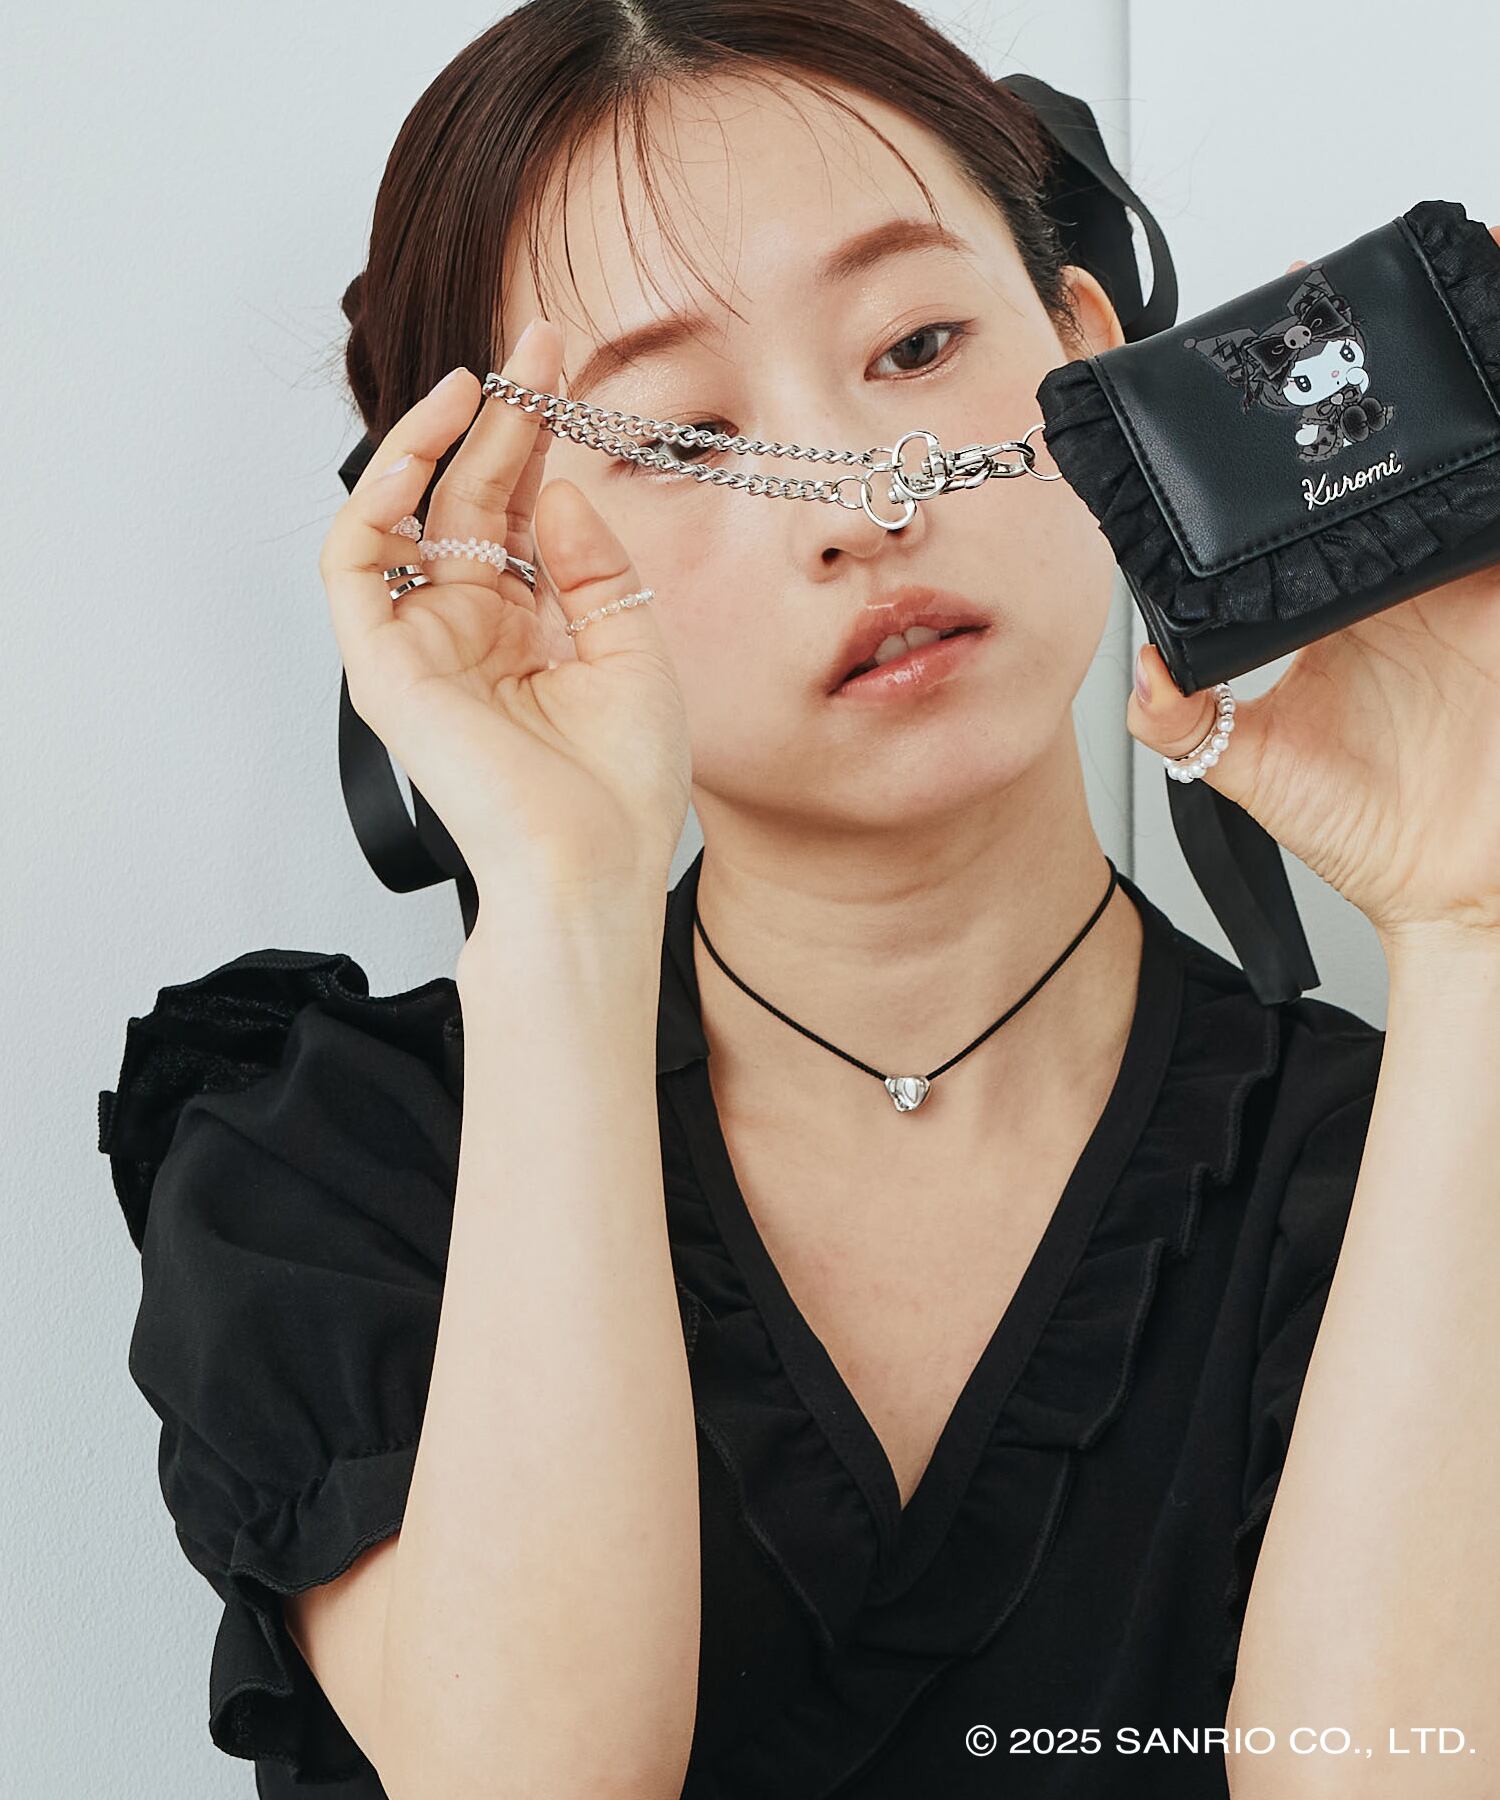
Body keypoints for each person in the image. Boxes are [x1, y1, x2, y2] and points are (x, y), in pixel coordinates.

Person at [103, 3, 1500, 1796]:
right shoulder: (332, 1175)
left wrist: (1475, 928)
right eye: (684, 438)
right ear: (486, 538)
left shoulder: (1409, 1155)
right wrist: (561, 889)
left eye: (917, 344)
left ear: (1091, 355)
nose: (860, 504)